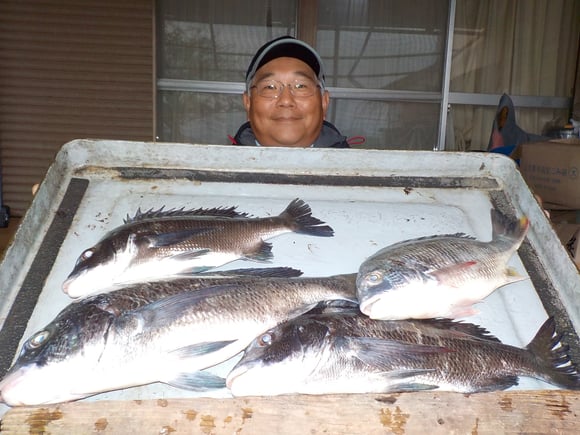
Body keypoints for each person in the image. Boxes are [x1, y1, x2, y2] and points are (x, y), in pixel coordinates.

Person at [230, 36, 350, 148]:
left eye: (300, 86)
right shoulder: (220, 162)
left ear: (324, 102)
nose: (286, 100)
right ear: (248, 103)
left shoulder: (356, 164)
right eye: (270, 87)